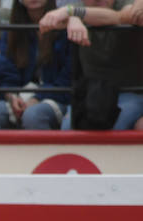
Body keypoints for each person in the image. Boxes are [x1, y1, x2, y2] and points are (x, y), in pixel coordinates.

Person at [41, 0, 143, 129]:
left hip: (128, 92)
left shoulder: (124, 3)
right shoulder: (76, 6)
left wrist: (73, 13)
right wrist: (73, 17)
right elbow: (51, 20)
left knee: (115, 127)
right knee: (68, 128)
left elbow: (123, 16)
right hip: (91, 92)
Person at [0, 0, 70, 129]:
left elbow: (67, 80)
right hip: (21, 97)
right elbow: (7, 77)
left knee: (33, 116)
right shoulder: (11, 31)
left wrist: (36, 98)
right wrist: (12, 97)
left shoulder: (66, 27)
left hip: (57, 98)